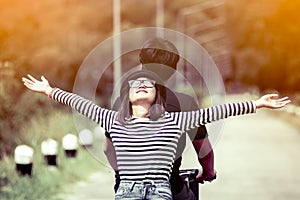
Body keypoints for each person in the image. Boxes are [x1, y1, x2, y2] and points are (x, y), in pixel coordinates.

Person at [22, 70, 290, 200]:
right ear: (128, 97)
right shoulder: (113, 120)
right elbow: (80, 103)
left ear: (156, 96)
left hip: (161, 192)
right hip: (126, 192)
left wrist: (258, 104)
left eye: (147, 84)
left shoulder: (174, 121)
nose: (141, 86)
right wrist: (49, 90)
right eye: (135, 85)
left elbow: (217, 112)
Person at [104, 37, 216, 200]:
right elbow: (204, 151)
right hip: (170, 189)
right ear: (173, 70)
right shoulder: (185, 103)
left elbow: (108, 149)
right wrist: (208, 172)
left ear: (141, 65)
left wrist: (122, 176)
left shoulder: (122, 103)